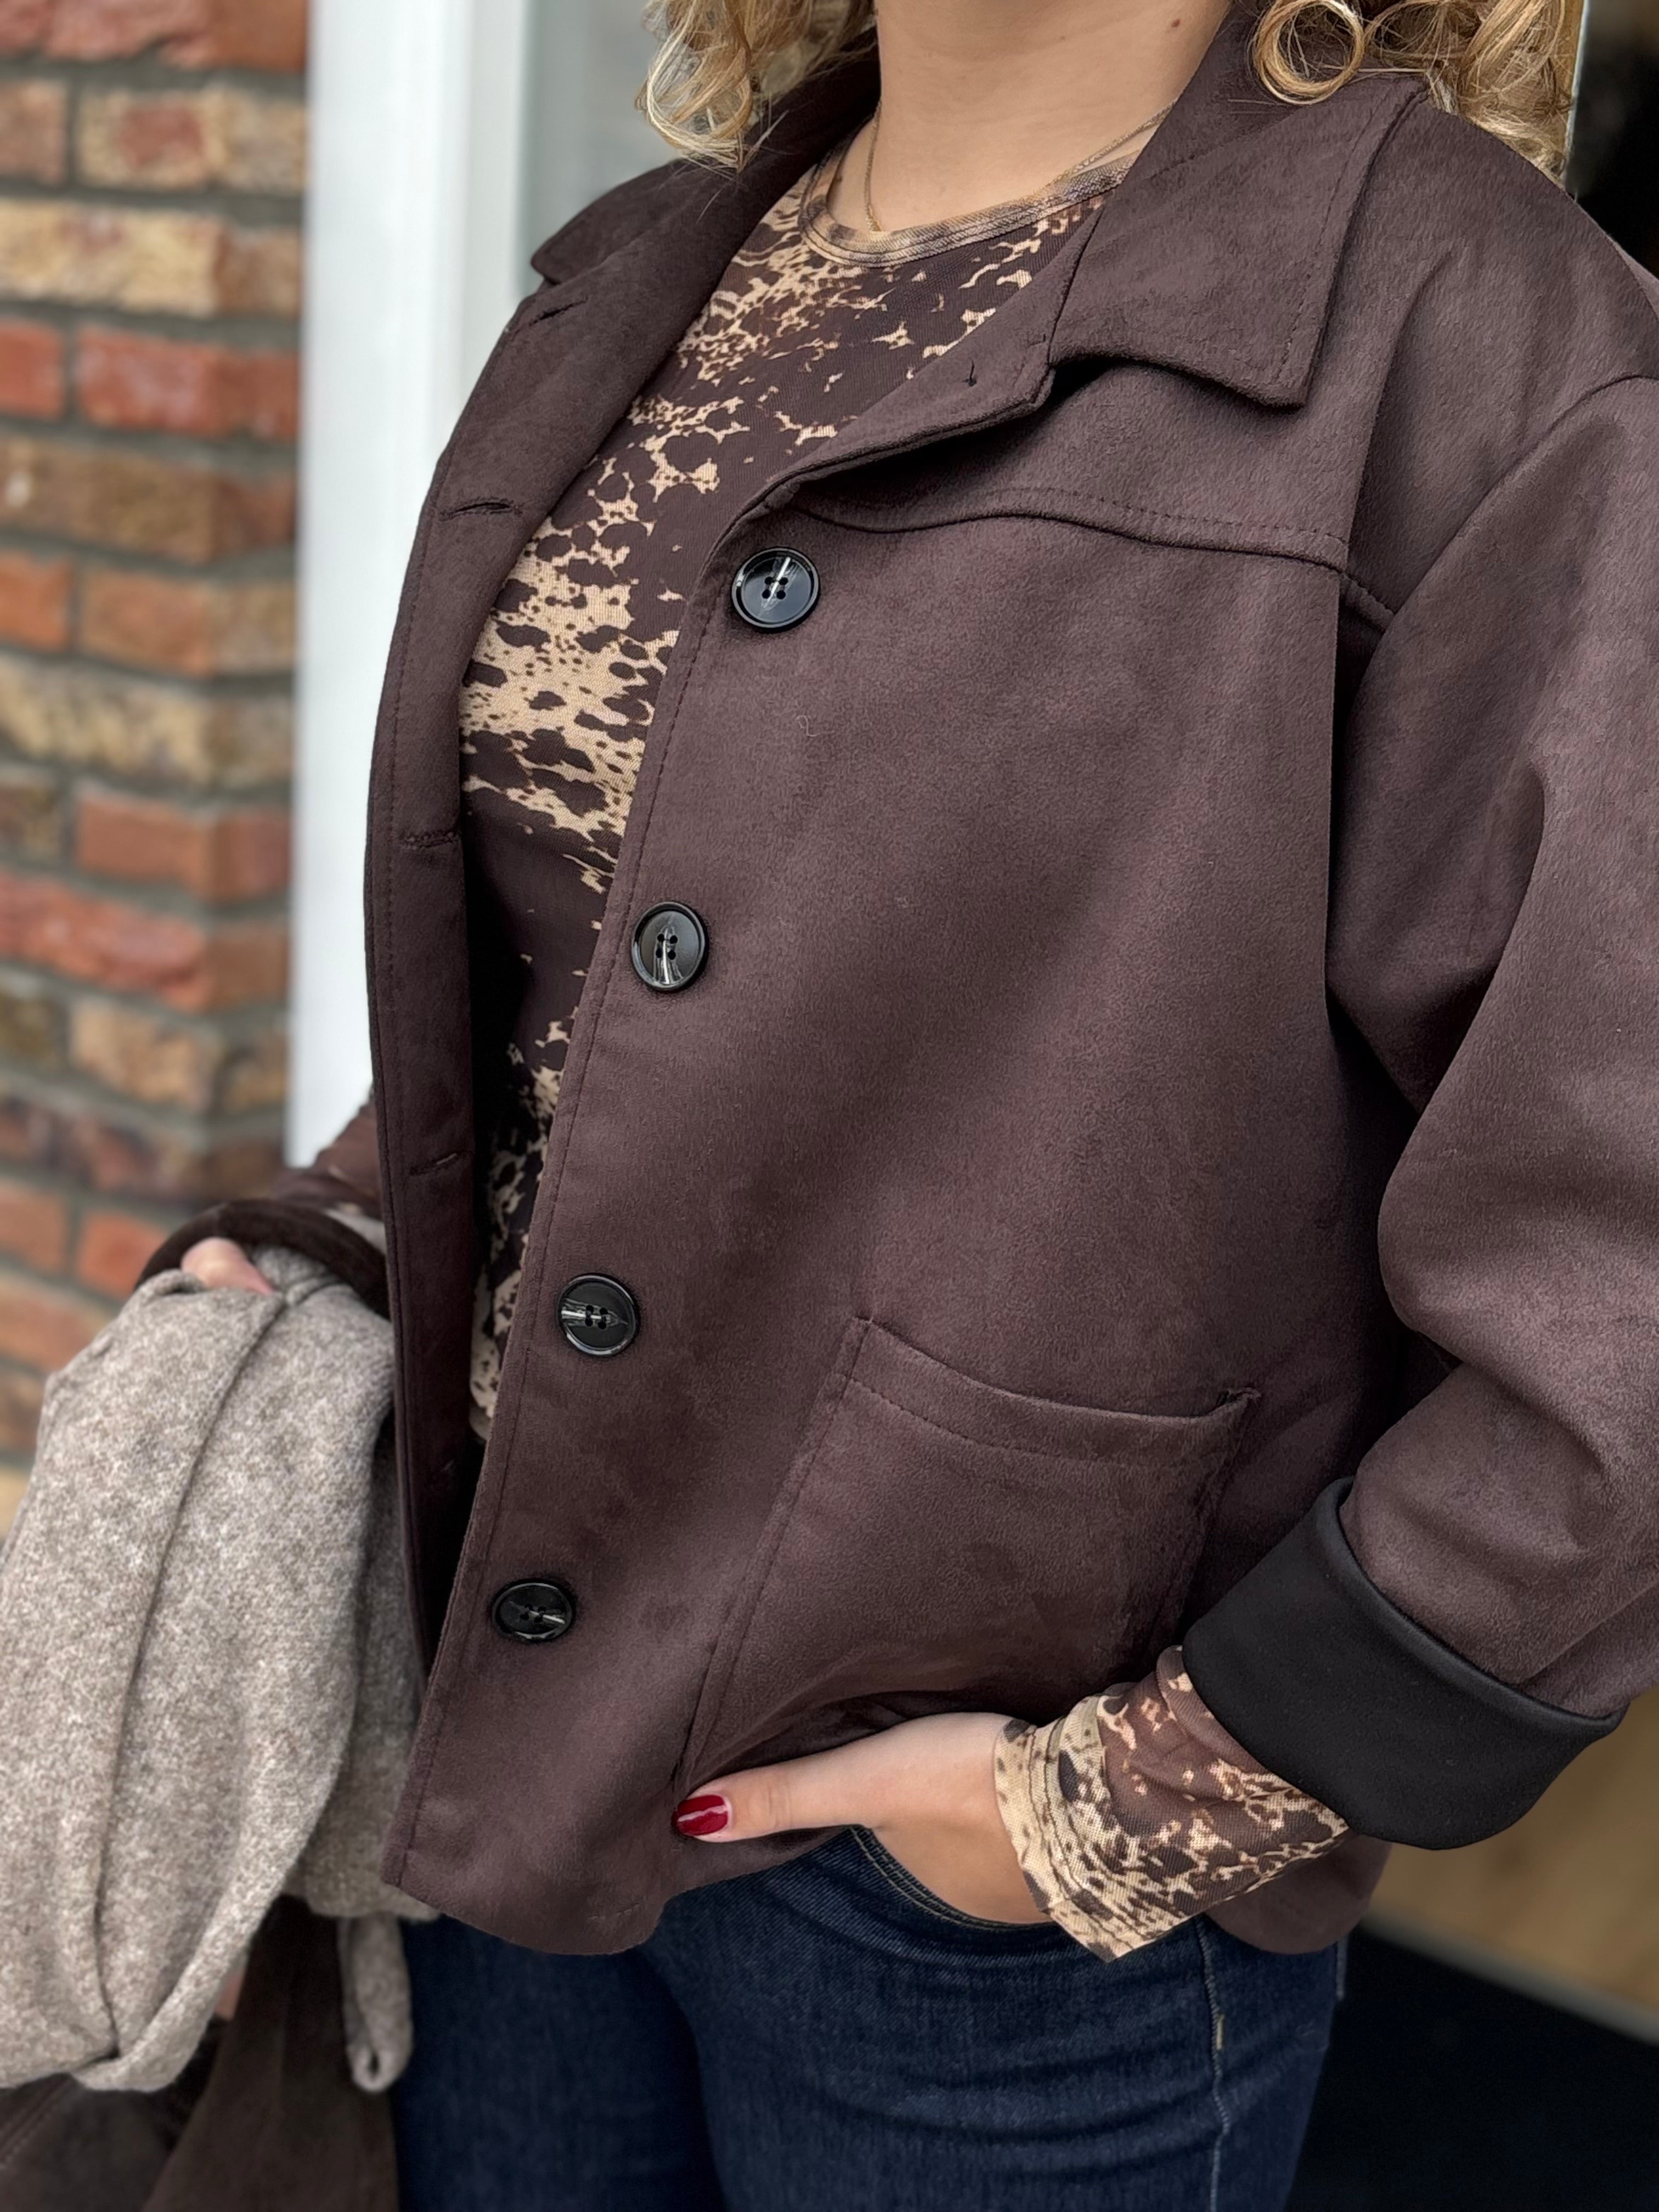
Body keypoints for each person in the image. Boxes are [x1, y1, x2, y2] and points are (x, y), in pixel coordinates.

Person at [172, 0, 1659, 2200]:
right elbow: (600, 943)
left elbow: (1621, 1261)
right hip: (511, 1744)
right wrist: (339, 1228)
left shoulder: (1484, 341)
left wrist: (1141, 1797)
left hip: (994, 1924)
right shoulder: (653, 270)